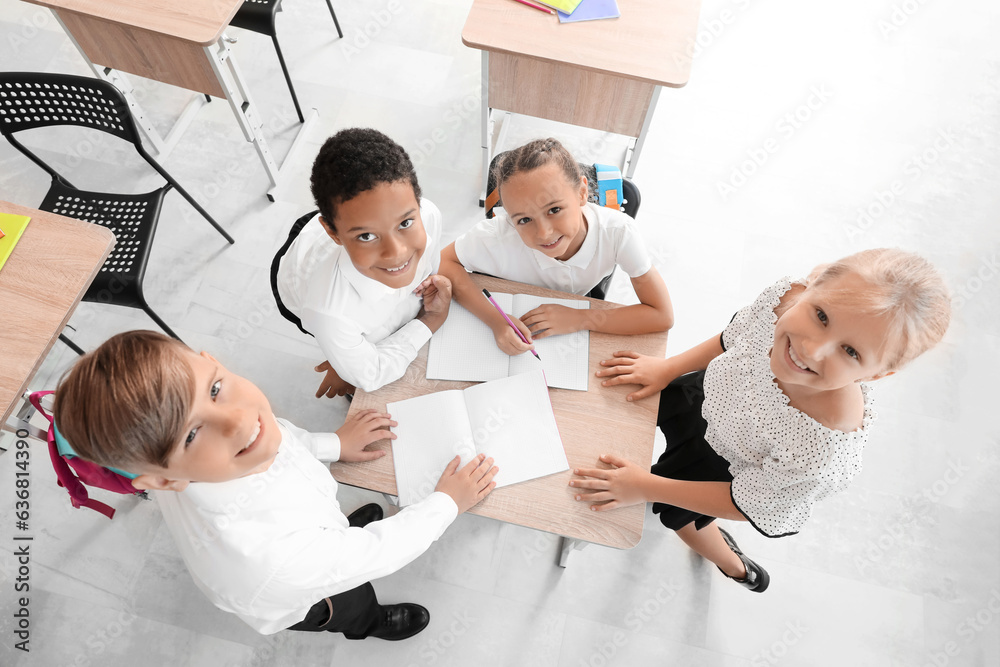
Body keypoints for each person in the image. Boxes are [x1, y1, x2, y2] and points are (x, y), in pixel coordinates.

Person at [53, 331, 497, 637]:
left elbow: (285, 439)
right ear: (164, 479)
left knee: (335, 542)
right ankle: (369, 623)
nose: (237, 420)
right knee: (350, 600)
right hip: (303, 594)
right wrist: (446, 503)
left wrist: (333, 444)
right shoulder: (272, 560)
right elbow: (378, 552)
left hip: (311, 532)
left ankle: (337, 531)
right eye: (191, 434)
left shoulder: (241, 443)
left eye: (214, 390)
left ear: (212, 362)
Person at [571, 249, 950, 592]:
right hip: (708, 393)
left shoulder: (820, 449)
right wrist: (668, 369)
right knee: (629, 406)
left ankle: (736, 568)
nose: (811, 349)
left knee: (682, 520)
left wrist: (647, 486)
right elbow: (732, 338)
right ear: (813, 283)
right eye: (820, 316)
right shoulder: (785, 297)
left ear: (876, 375)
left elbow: (744, 501)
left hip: (726, 467)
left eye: (850, 351)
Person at [439, 138, 673, 356]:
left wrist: (580, 319)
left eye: (554, 210)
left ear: (582, 193)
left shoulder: (618, 232)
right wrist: (495, 320)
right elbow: (442, 261)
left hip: (572, 323)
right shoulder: (498, 236)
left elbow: (661, 314)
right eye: (524, 220)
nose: (544, 233)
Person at [274, 128, 451, 397]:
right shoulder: (327, 312)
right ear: (333, 233)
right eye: (367, 236)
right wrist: (429, 321)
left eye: (405, 222)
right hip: (299, 266)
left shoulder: (429, 215)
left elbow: (427, 272)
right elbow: (371, 374)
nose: (396, 252)